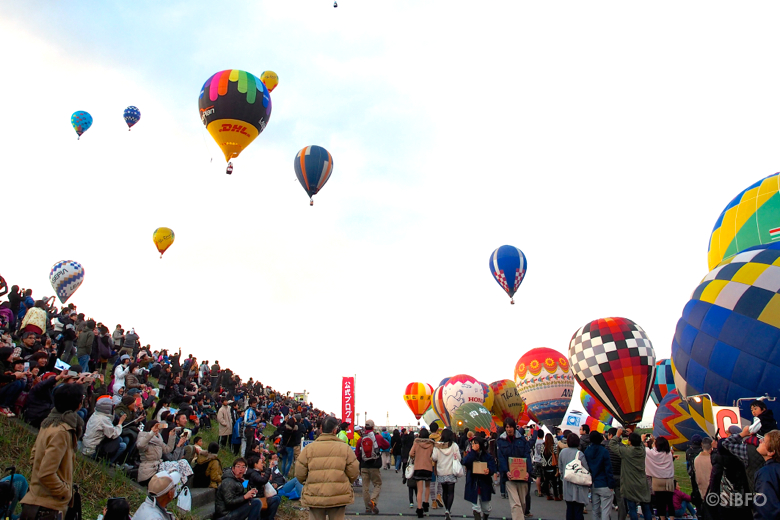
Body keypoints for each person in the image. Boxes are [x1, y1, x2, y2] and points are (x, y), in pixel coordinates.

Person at [19, 383, 84, 519]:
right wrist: (65, 492)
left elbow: (33, 457)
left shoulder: (48, 423)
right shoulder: (62, 432)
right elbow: (46, 473)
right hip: (47, 507)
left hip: (35, 501)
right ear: (78, 404)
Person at [295, 415, 360, 520]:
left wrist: (308, 482)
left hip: (315, 494)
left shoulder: (309, 449)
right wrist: (345, 482)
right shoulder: (345, 448)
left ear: (321, 429)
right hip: (338, 494)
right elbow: (354, 471)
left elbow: (299, 472)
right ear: (335, 430)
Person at [610, 430, 652, 520]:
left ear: (630, 442)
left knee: (632, 508)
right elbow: (640, 444)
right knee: (646, 508)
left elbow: (612, 445)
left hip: (630, 484)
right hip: (642, 483)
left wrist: (617, 435)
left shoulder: (626, 451)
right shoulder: (642, 450)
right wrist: (640, 438)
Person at [496, 418, 532, 520]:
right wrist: (506, 471)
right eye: (507, 427)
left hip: (522, 476)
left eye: (511, 427)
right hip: (509, 477)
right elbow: (501, 458)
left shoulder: (522, 440)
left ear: (514, 427)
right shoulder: (501, 441)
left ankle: (520, 516)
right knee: (515, 503)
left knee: (522, 502)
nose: (509, 429)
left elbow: (527, 456)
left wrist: (528, 472)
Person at [355, 419, 390, 514]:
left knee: (365, 487)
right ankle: (373, 501)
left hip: (364, 465)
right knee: (377, 484)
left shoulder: (360, 439)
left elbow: (357, 453)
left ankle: (367, 507)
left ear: (365, 427)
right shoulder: (377, 437)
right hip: (374, 465)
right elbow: (387, 445)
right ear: (373, 427)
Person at [82, 395, 127, 464]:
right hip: (93, 451)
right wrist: (120, 423)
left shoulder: (96, 414)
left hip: (87, 446)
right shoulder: (103, 420)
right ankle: (105, 464)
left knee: (119, 440)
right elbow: (114, 434)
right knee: (122, 445)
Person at [432, 428, 462, 520]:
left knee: (444, 492)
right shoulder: (454, 446)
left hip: (441, 471)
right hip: (451, 471)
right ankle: (448, 510)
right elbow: (459, 458)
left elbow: (434, 458)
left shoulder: (437, 446)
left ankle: (446, 509)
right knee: (451, 492)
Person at [463, 436, 496, 520]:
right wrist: (473, 452)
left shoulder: (487, 456)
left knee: (486, 507)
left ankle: (485, 516)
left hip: (485, 483)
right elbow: (465, 462)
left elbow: (493, 466)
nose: (474, 445)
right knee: (475, 506)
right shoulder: (471, 454)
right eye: (472, 443)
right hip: (474, 482)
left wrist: (489, 470)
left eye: (476, 443)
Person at [136, 420, 177, 486]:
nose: (157, 430)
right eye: (156, 428)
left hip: (158, 467)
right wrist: (151, 433)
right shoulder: (143, 435)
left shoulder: (158, 440)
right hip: (148, 471)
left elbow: (168, 449)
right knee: (173, 467)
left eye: (158, 428)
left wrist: (171, 437)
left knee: (181, 463)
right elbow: (140, 445)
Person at [583, 431, 614, 520]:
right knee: (605, 511)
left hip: (593, 483)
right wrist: (611, 484)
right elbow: (608, 469)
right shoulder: (604, 451)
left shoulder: (587, 451)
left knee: (595, 511)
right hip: (604, 483)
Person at [558, 434, 589, 520]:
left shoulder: (562, 452)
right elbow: (586, 468)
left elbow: (560, 468)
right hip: (578, 485)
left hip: (567, 484)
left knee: (569, 509)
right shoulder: (580, 454)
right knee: (578, 510)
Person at [645, 435, 675, 520]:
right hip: (669, 480)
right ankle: (672, 518)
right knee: (669, 502)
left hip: (657, 480)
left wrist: (645, 439)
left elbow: (646, 448)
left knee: (660, 502)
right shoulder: (669, 454)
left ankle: (662, 518)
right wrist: (656, 440)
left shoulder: (652, 454)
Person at [408, 428, 435, 518]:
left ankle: (419, 509)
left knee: (420, 490)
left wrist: (416, 456)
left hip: (418, 467)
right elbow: (433, 455)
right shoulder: (431, 444)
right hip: (428, 467)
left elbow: (411, 453)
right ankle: (426, 505)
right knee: (427, 487)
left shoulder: (416, 443)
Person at [754, 429, 780, 520]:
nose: (760, 441)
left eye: (764, 441)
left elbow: (766, 508)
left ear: (771, 452)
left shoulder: (766, 473)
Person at [541, 433, 561, 502]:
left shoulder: (543, 446)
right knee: (554, 481)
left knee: (546, 480)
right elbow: (556, 455)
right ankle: (556, 495)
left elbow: (541, 454)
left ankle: (548, 495)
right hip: (552, 465)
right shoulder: (554, 446)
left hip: (544, 465)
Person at [531, 429, 544, 498]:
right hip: (543, 461)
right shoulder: (544, 442)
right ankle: (545, 490)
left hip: (536, 460)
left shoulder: (535, 442)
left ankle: (539, 491)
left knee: (538, 477)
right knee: (544, 476)